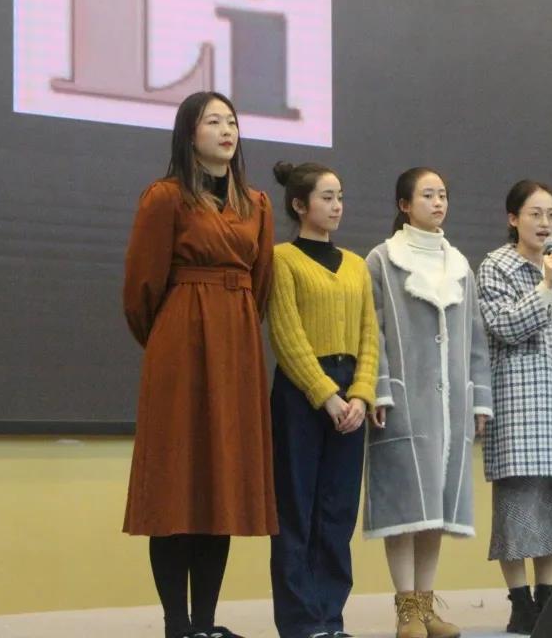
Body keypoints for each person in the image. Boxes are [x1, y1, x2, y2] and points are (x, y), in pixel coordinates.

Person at [122, 91, 275, 638]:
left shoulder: (256, 203)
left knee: (221, 484)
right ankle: (176, 625)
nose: (227, 130)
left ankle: (206, 624)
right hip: (180, 349)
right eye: (214, 121)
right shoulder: (164, 197)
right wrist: (174, 337)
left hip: (236, 351)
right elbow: (140, 290)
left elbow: (261, 286)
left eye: (231, 121)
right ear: (190, 133)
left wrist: (231, 328)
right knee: (174, 484)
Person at [363, 167, 493, 638]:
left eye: (442, 195)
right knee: (404, 506)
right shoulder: (383, 260)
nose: (438, 203)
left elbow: (475, 339)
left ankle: (425, 604)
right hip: (403, 400)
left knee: (435, 508)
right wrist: (379, 387)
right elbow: (372, 331)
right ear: (404, 205)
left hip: (450, 404)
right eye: (427, 195)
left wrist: (479, 401)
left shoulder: (459, 264)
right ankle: (406, 610)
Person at [267, 161, 380, 638]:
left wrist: (361, 394)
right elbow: (286, 335)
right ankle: (300, 622)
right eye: (327, 197)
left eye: (340, 197)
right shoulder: (282, 260)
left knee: (337, 511)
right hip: (301, 394)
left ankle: (330, 618)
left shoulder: (356, 265)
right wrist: (326, 396)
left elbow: (369, 335)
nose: (337, 206)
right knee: (297, 508)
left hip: (350, 393)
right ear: (300, 205)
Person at [477, 180, 552, 634]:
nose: (545, 224)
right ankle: (520, 602)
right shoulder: (496, 266)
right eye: (535, 214)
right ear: (513, 219)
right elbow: (504, 326)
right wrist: (544, 284)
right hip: (519, 402)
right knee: (518, 505)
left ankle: (547, 597)